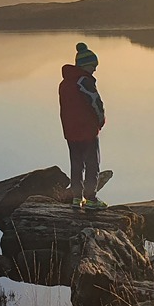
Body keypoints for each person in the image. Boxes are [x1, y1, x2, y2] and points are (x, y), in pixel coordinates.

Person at [58, 42, 107, 210]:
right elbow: (95, 103)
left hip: (71, 132)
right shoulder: (84, 82)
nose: (94, 69)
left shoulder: (64, 84)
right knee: (92, 164)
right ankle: (91, 198)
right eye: (93, 66)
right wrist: (101, 120)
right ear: (85, 65)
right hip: (87, 131)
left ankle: (76, 198)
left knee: (76, 164)